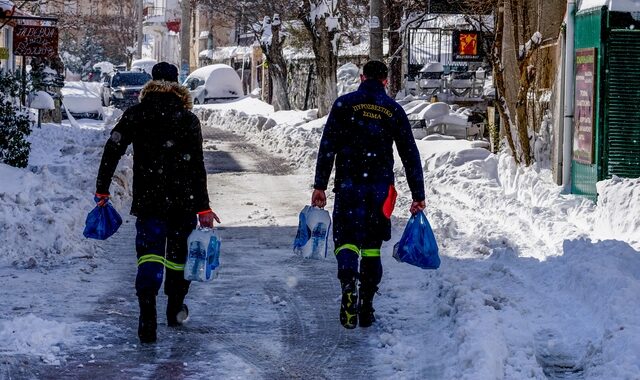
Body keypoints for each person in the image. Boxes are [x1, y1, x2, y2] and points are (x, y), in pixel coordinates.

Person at [94, 62, 220, 343]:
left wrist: (102, 188)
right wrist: (203, 206)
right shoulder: (187, 119)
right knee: (178, 259)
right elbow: (197, 166)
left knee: (149, 256)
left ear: (151, 82)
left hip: (150, 201)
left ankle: (146, 314)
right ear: (178, 84)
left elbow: (113, 147)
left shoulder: (137, 114)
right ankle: (174, 308)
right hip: (183, 203)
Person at [311, 60, 426, 329]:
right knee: (372, 246)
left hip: (349, 186)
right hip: (380, 190)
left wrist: (320, 185)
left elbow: (327, 146)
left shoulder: (344, 105)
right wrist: (417, 193)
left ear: (362, 77)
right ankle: (366, 307)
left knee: (347, 239)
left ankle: (348, 281)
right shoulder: (393, 110)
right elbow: (409, 153)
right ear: (385, 81)